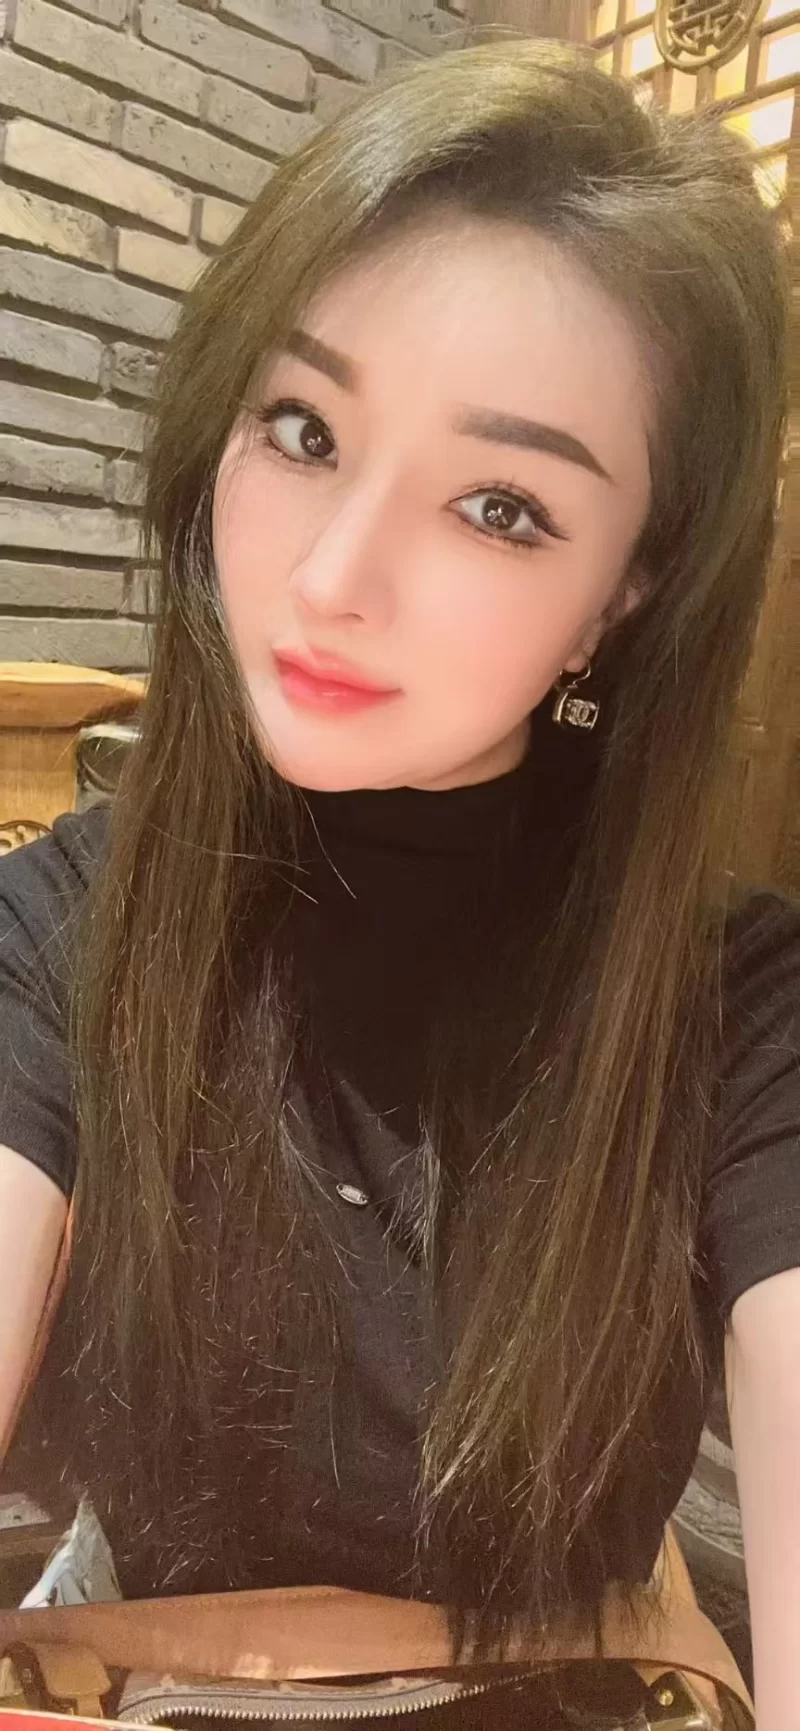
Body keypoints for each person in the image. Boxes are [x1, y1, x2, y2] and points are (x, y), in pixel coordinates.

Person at [0, 32, 797, 1727]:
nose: (333, 576)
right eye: (302, 426)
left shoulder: (741, 1010)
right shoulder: (66, 927)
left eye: (501, 506)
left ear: (621, 597)